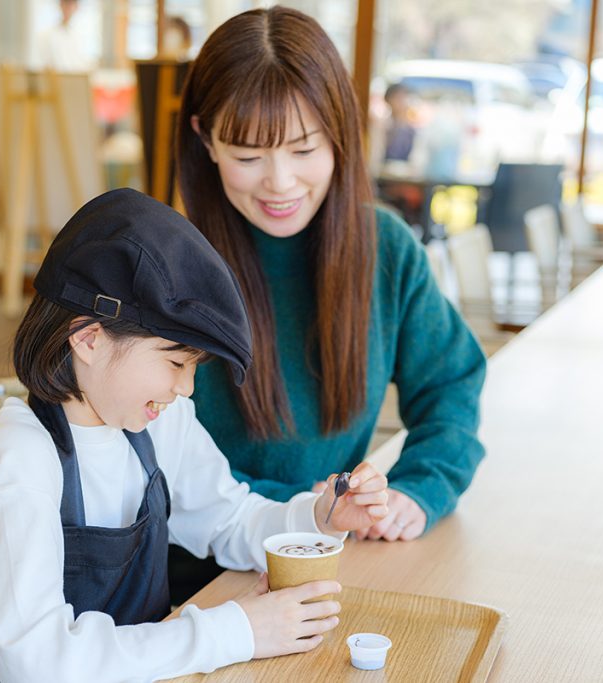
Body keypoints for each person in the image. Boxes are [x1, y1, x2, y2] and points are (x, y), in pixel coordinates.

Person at [0, 188, 389, 683]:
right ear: (88, 339)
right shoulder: (23, 450)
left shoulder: (160, 423)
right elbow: (38, 663)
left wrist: (319, 519)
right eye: (176, 362)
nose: (186, 388)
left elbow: (227, 520)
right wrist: (234, 630)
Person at [171, 6, 486, 601]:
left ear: (339, 132)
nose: (280, 182)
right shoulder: (167, 266)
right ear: (205, 139)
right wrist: (305, 511)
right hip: (195, 580)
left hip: (333, 560)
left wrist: (419, 489)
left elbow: (451, 384)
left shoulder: (384, 249)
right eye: (248, 156)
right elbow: (154, 465)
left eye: (303, 149)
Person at [31, 0, 94, 72]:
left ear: (76, 7)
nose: (69, 7)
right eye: (66, 3)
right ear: (60, 4)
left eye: (72, 4)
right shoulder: (46, 36)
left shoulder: (80, 35)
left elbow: (81, 65)